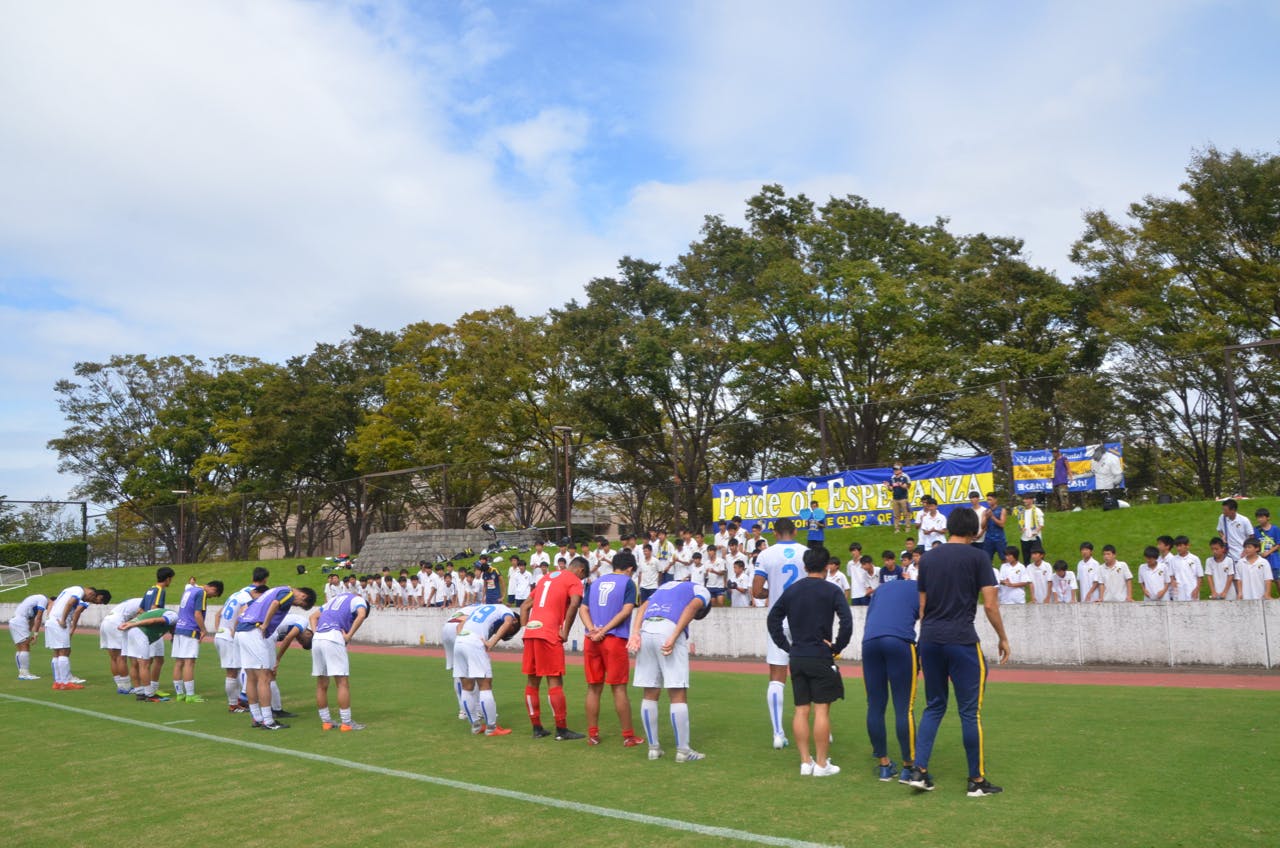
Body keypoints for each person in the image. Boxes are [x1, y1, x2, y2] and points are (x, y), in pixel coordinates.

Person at [905, 506, 1010, 797]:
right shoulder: (978, 557)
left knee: (934, 705)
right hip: (961, 639)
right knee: (969, 711)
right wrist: (1003, 637)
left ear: (949, 526)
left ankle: (919, 770)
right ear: (974, 530)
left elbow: (922, 606)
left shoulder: (928, 558)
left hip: (930, 639)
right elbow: (990, 605)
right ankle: (976, 780)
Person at [767, 546, 852, 777]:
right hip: (820, 654)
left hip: (798, 656)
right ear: (827, 566)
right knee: (821, 709)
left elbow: (773, 619)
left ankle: (805, 761)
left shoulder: (792, 590)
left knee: (801, 709)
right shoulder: (832, 590)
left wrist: (787, 646)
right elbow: (847, 621)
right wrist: (837, 646)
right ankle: (822, 764)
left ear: (805, 566)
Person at [628, 574, 712, 763]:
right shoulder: (701, 590)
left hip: (646, 630)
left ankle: (653, 749)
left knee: (650, 691)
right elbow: (692, 608)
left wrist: (635, 633)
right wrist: (674, 636)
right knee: (677, 691)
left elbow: (643, 607)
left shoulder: (664, 586)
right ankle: (683, 751)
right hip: (668, 629)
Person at [752, 517, 807, 749]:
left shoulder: (765, 555)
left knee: (777, 676)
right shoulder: (806, 553)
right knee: (809, 673)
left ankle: (778, 734)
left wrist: (772, 593)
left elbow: (756, 591)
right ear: (795, 532)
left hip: (778, 620)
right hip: (803, 621)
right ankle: (821, 727)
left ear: (774, 533)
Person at [519, 555, 588, 740]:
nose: (581, 580)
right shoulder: (573, 580)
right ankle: (561, 730)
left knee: (532, 682)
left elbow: (524, 606)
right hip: (549, 633)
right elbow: (575, 603)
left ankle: (536, 728)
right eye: (582, 577)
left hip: (531, 632)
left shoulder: (546, 578)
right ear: (580, 570)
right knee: (555, 681)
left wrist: (526, 630)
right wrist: (565, 631)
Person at [580, 549, 643, 747]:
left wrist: (592, 629)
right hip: (613, 639)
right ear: (630, 569)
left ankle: (592, 735)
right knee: (618, 688)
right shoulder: (628, 583)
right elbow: (626, 611)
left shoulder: (595, 582)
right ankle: (628, 736)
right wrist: (604, 630)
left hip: (591, 639)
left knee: (593, 687)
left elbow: (583, 609)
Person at [861, 574, 919, 783]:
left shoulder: (883, 588)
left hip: (870, 642)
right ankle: (909, 767)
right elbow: (930, 621)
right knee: (904, 707)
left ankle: (884, 765)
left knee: (875, 705)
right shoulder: (922, 589)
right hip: (899, 641)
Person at [236, 585, 317, 729]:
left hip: (242, 630)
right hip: (254, 631)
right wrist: (265, 624)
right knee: (264, 677)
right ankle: (268, 721)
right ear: (303, 596)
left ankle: (257, 718)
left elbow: (249, 605)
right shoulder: (288, 593)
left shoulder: (274, 590)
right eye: (299, 604)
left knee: (251, 677)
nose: (295, 605)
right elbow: (275, 604)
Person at [310, 589, 370, 731]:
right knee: (342, 682)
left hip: (317, 638)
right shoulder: (359, 600)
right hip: (333, 637)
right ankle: (346, 723)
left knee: (321, 683)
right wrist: (349, 635)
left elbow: (312, 617)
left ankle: (326, 722)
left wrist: (316, 633)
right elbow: (361, 615)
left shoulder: (332, 600)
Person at [214, 568, 269, 713]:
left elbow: (218, 613)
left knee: (237, 669)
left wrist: (219, 628)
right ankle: (234, 704)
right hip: (230, 636)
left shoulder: (238, 592)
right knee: (234, 671)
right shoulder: (250, 597)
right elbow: (243, 613)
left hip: (222, 633)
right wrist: (235, 629)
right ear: (265, 580)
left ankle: (239, 700)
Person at [45, 585, 110, 690]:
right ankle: (65, 682)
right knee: (64, 651)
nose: (89, 601)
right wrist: (63, 620)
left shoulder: (70, 589)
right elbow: (70, 603)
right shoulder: (79, 591)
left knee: (57, 652)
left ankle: (58, 682)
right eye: (92, 599)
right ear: (92, 593)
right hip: (59, 622)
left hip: (52, 621)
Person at [170, 580, 224, 702]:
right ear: (213, 588)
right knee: (189, 662)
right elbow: (197, 614)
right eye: (213, 595)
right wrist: (203, 630)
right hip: (190, 629)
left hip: (179, 628)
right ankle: (190, 695)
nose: (210, 597)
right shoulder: (201, 593)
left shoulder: (189, 589)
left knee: (179, 662)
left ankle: (180, 694)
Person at [118, 607, 179, 700]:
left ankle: (139, 692)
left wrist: (131, 624)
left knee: (134, 664)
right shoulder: (174, 616)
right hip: (137, 630)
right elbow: (153, 620)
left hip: (130, 630)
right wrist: (133, 624)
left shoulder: (165, 616)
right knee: (144, 664)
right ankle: (150, 694)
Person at [10, 592, 48, 680]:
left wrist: (29, 633)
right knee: (25, 647)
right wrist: (36, 634)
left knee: (20, 647)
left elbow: (32, 619)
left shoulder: (35, 600)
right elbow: (39, 618)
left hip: (15, 620)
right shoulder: (43, 599)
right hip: (20, 620)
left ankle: (22, 673)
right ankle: (24, 674)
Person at [1168, 536, 1203, 602]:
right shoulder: (1173, 560)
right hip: (1179, 591)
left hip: (1192, 590)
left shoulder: (1195, 559)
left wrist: (1197, 589)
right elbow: (1171, 575)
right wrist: (1173, 582)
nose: (1178, 548)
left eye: (1180, 546)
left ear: (1187, 546)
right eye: (1177, 546)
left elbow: (1200, 576)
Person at [1254, 509, 1280, 596]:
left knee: (1277, 579)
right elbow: (1254, 543)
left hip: (1273, 558)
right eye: (1258, 517)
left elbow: (1278, 544)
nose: (1259, 519)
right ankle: (1265, 596)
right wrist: (1258, 552)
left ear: (1268, 518)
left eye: (1261, 517)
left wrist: (1268, 552)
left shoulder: (1275, 529)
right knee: (1262, 579)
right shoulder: (1256, 530)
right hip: (1260, 558)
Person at [980, 493, 1008, 567]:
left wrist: (992, 517)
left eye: (990, 500)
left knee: (1004, 558)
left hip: (1000, 538)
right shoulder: (985, 511)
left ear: (995, 500)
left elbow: (1002, 524)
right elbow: (982, 526)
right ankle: (990, 572)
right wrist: (986, 518)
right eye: (987, 500)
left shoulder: (1002, 510)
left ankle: (1004, 572)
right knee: (987, 559)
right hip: (988, 538)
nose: (988, 502)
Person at [884, 463, 912, 532]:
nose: (895, 470)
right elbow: (891, 489)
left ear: (900, 470)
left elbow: (907, 487)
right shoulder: (892, 477)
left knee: (906, 514)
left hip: (903, 498)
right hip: (895, 498)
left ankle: (908, 528)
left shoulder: (905, 476)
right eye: (894, 469)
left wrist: (901, 485)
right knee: (896, 515)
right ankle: (897, 529)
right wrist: (888, 486)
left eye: (896, 469)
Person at [1017, 495, 1044, 565]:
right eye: (1024, 499)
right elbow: (1020, 523)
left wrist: (1036, 532)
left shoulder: (1037, 510)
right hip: (1024, 538)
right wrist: (1021, 528)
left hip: (1035, 538)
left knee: (1038, 558)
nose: (1024, 501)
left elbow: (1041, 524)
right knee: (1026, 559)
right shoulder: (1021, 511)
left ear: (1032, 500)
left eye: (1026, 499)